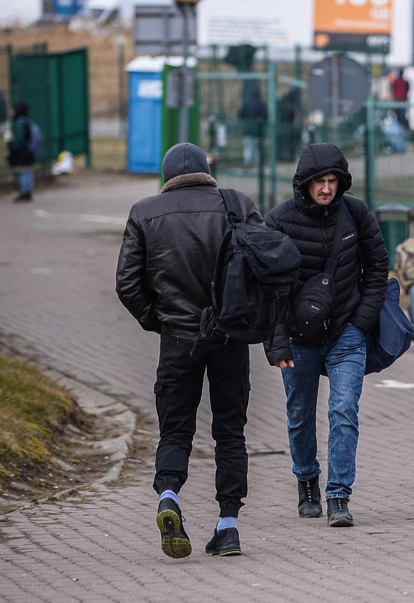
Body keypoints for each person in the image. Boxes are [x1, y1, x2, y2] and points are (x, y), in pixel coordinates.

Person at [116, 143, 261, 558]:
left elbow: (126, 284)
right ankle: (228, 526)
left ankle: (169, 497)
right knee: (230, 431)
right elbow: (263, 268)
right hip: (230, 338)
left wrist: (157, 319)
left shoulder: (144, 213)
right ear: (206, 170)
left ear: (166, 175)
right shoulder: (236, 205)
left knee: (176, 429)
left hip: (178, 339)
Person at [264, 143, 389, 527]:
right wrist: (277, 340)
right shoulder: (279, 221)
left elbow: (379, 266)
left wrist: (361, 322)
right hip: (299, 338)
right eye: (320, 181)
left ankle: (338, 496)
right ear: (304, 183)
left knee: (343, 410)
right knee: (300, 414)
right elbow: (268, 289)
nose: (327, 189)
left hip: (346, 331)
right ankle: (306, 482)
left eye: (334, 181)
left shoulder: (357, 214)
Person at [6, 101, 36, 201]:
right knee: (27, 171)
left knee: (23, 171)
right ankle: (27, 191)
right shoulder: (26, 121)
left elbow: (18, 140)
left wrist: (12, 148)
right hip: (28, 150)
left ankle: (24, 192)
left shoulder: (20, 123)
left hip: (22, 152)